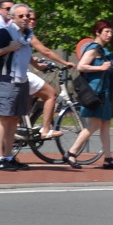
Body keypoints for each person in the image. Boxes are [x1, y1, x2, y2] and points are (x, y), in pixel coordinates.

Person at [0, 3, 35, 170]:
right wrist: (7, 48)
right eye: (21, 16)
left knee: (14, 118)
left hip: (22, 80)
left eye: (27, 15)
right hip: (7, 80)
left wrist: (38, 65)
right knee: (4, 118)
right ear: (12, 17)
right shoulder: (5, 32)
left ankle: (9, 155)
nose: (25, 18)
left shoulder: (27, 34)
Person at [67, 19, 113, 169]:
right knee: (95, 124)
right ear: (98, 33)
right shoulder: (94, 48)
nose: (110, 34)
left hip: (103, 93)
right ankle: (72, 152)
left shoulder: (102, 50)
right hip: (95, 93)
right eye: (106, 31)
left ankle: (108, 158)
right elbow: (81, 66)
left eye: (111, 31)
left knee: (106, 124)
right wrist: (101, 68)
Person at [23, 10, 75, 140]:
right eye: (29, 18)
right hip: (20, 74)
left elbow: (28, 58)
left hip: (13, 74)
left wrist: (41, 66)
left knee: (27, 99)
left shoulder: (18, 34)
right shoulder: (26, 34)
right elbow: (45, 51)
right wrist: (64, 62)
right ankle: (46, 130)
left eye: (35, 19)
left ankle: (22, 126)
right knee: (51, 94)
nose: (32, 21)